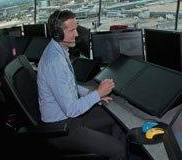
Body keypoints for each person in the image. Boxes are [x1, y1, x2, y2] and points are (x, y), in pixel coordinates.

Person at [37, 10, 127, 160]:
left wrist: (93, 95)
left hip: (70, 117)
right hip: (62, 128)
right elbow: (71, 109)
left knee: (118, 119)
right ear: (57, 34)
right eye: (72, 30)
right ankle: (116, 150)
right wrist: (97, 93)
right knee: (117, 150)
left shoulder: (59, 50)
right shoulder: (54, 62)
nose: (77, 34)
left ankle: (111, 146)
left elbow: (70, 86)